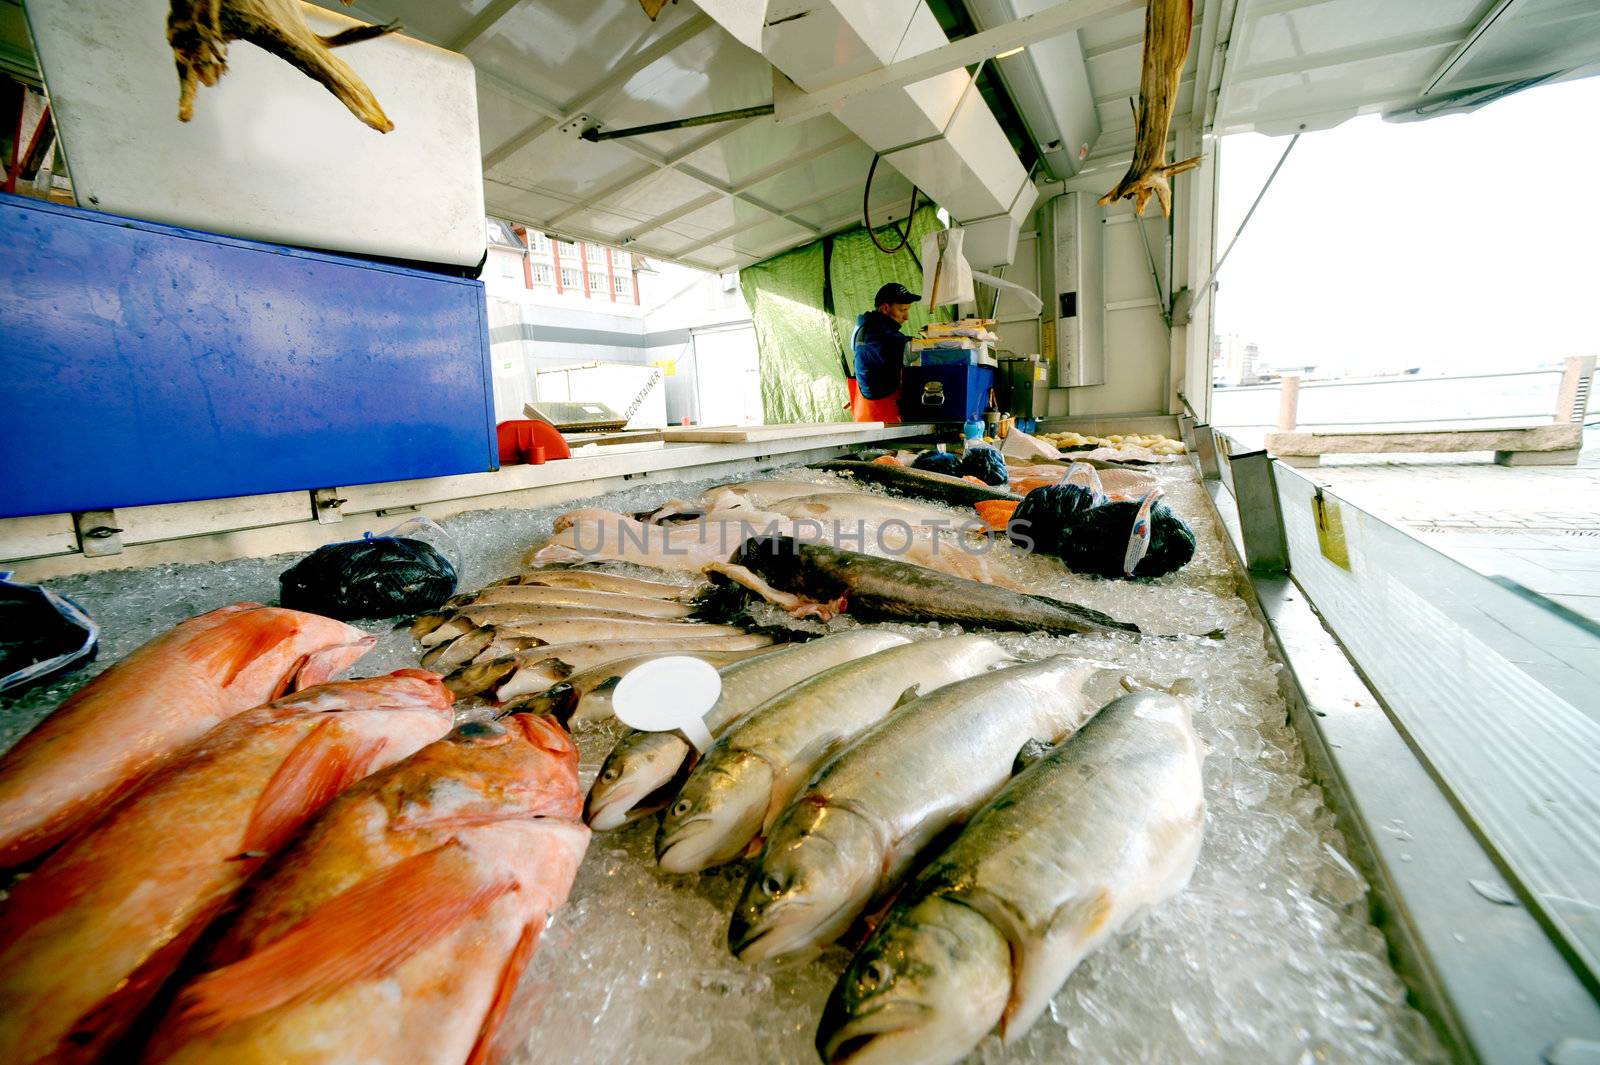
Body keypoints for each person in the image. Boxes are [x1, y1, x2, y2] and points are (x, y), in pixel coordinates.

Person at [848, 282, 919, 424]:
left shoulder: (865, 327)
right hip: (881, 418)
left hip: (872, 414)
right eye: (902, 310)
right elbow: (907, 349)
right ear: (885, 308)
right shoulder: (877, 334)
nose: (906, 317)